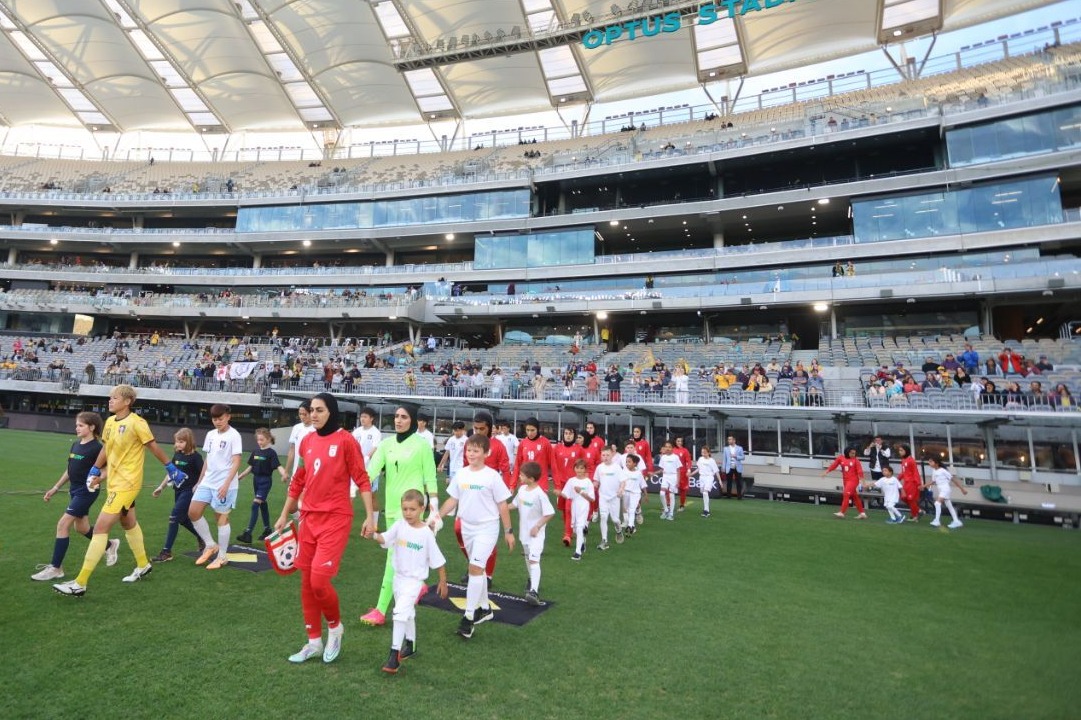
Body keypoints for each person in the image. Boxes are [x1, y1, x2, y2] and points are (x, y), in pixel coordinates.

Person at [54, 385, 187, 596]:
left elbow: (152, 446)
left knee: (100, 528)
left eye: (114, 398)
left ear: (127, 401)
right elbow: (106, 448)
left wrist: (170, 467)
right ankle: (143, 564)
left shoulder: (137, 423)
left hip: (128, 484)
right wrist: (95, 469)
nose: (110, 400)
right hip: (114, 482)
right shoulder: (109, 422)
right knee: (128, 523)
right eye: (110, 397)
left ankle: (80, 583)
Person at [275, 393, 374, 664]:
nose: (314, 414)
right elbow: (299, 480)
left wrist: (369, 517)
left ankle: (335, 627)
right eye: (312, 410)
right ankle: (313, 643)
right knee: (307, 582)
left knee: (319, 581)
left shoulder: (346, 440)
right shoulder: (307, 441)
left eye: (320, 410)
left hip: (336, 518)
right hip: (308, 518)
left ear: (332, 411)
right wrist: (284, 514)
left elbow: (362, 478)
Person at [359, 405, 441, 627]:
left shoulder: (422, 445)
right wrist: (351, 486)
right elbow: (369, 473)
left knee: (392, 558)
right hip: (392, 509)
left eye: (404, 417)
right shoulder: (386, 445)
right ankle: (418, 586)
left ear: (412, 420)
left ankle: (380, 610)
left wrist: (434, 506)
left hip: (412, 510)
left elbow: (430, 477)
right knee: (401, 555)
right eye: (396, 416)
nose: (398, 420)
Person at [437, 434, 515, 639]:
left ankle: (468, 617)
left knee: (475, 568)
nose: (471, 454)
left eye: (476, 451)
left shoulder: (492, 476)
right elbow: (452, 500)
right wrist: (436, 517)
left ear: (486, 453)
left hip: (487, 528)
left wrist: (508, 532)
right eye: (469, 450)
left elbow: (502, 505)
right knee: (478, 570)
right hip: (467, 528)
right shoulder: (461, 474)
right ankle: (485, 609)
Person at [366, 489, 448, 674]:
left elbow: (438, 560)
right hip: (398, 579)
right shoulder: (399, 525)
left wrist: (443, 582)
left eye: (412, 509)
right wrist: (373, 535)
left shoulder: (426, 534)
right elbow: (385, 539)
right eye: (405, 509)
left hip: (414, 582)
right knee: (407, 613)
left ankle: (394, 656)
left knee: (399, 614)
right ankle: (410, 644)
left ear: (422, 509)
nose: (408, 513)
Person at [33, 412, 118, 581]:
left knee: (62, 524)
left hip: (86, 491)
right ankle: (110, 545)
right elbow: (70, 470)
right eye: (76, 425)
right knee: (81, 528)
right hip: (74, 490)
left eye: (81, 425)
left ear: (92, 427)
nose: (77, 428)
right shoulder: (76, 445)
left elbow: (108, 468)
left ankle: (56, 568)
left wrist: (98, 479)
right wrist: (55, 487)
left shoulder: (98, 448)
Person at [187, 404, 243, 570]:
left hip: (224, 484)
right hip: (207, 482)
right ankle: (211, 545)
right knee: (193, 512)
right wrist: (199, 481)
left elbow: (237, 461)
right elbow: (208, 458)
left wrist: (226, 484)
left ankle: (222, 556)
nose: (217, 422)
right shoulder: (210, 434)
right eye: (214, 419)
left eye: (220, 418)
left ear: (228, 417)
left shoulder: (234, 435)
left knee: (221, 519)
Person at [149, 428, 205, 562]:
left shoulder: (196, 457)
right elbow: (171, 472)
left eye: (181, 442)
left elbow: (204, 474)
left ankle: (166, 552)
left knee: (174, 517)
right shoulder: (177, 455)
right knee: (183, 519)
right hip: (178, 491)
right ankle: (202, 537)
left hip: (189, 492)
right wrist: (161, 487)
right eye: (176, 441)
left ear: (189, 441)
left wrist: (198, 485)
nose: (177, 444)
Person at [508, 461, 555, 605]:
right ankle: (532, 580)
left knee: (534, 560)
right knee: (528, 559)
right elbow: (514, 505)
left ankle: (534, 591)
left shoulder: (540, 494)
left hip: (536, 535)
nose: (520, 477)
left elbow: (550, 513)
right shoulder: (522, 489)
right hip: (524, 533)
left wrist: (537, 526)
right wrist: (500, 508)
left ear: (532, 479)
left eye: (522, 475)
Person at [235, 428, 284, 544]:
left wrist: (284, 474)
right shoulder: (255, 452)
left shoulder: (271, 453)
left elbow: (278, 466)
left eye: (262, 440)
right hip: (256, 480)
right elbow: (250, 467)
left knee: (255, 504)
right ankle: (267, 530)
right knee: (262, 504)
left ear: (268, 439)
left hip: (265, 481)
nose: (259, 442)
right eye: (258, 440)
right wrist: (240, 476)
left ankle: (248, 533)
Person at [551, 426, 583, 546]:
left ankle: (567, 534)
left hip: (573, 484)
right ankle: (569, 529)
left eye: (570, 433)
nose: (568, 435)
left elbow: (583, 466)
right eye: (566, 433)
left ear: (574, 435)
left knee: (569, 508)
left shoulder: (579, 449)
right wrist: (557, 484)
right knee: (564, 509)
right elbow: (553, 467)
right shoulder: (557, 448)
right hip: (561, 484)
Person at [561, 459, 595, 561]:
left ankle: (577, 552)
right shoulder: (571, 481)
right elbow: (566, 494)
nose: (579, 470)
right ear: (574, 468)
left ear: (585, 470)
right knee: (576, 529)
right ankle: (582, 542)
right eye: (577, 468)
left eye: (581, 468)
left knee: (579, 528)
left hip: (584, 506)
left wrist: (581, 492)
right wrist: (559, 493)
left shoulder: (588, 482)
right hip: (574, 506)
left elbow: (592, 499)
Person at [593, 447, 626, 550]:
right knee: (603, 517)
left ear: (612, 455)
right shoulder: (599, 468)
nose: (605, 457)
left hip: (614, 497)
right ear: (601, 456)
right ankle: (604, 541)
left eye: (608, 455)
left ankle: (618, 529)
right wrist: (593, 485)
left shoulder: (617, 467)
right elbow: (596, 481)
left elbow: (623, 481)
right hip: (603, 497)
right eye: (603, 455)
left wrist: (621, 489)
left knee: (615, 519)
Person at [823, 447, 866, 519]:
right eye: (852, 453)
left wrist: (863, 482)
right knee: (855, 496)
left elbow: (860, 471)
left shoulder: (856, 460)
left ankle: (842, 512)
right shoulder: (841, 458)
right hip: (845, 481)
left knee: (846, 494)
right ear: (847, 452)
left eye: (854, 453)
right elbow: (834, 465)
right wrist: (827, 471)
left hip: (853, 481)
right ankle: (862, 513)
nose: (853, 455)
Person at [924, 457, 967, 529]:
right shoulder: (934, 471)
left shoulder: (943, 471)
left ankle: (937, 521)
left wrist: (962, 489)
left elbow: (953, 479)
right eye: (929, 462)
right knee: (949, 505)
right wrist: (924, 486)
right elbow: (933, 481)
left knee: (937, 503)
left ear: (936, 463)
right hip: (941, 490)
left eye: (931, 462)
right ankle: (956, 521)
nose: (929, 463)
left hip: (945, 489)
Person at [351, 406, 382, 501]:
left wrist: (367, 457)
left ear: (371, 418)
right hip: (356, 468)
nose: (362, 419)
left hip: (371, 468)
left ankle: (373, 512)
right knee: (350, 494)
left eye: (365, 417)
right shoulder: (357, 431)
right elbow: (351, 446)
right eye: (361, 416)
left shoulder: (376, 432)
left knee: (371, 497)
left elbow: (375, 447)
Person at [515, 417, 552, 491]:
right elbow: (517, 464)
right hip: (525, 483)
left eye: (532, 430)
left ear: (537, 429)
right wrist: (513, 484)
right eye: (527, 430)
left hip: (541, 484)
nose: (530, 433)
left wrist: (557, 485)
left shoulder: (546, 443)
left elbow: (552, 465)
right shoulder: (523, 443)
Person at [283, 400, 314, 483]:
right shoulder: (296, 428)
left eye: (305, 414)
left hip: (311, 475)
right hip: (296, 473)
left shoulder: (317, 429)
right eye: (300, 414)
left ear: (311, 413)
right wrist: (286, 471)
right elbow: (292, 450)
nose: (302, 417)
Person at [621, 452, 648, 534]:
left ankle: (630, 526)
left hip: (635, 494)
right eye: (626, 461)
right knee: (626, 509)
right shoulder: (624, 471)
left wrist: (646, 495)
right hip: (625, 493)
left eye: (629, 462)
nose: (627, 463)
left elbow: (643, 484)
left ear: (635, 463)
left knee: (631, 509)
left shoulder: (639, 473)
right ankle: (632, 525)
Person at [655, 442, 682, 521]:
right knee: (662, 493)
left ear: (672, 448)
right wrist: (654, 473)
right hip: (665, 476)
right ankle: (666, 510)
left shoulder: (676, 457)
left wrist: (678, 481)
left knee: (671, 495)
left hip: (673, 477)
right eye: (666, 447)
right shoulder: (663, 457)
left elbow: (678, 470)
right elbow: (662, 469)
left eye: (669, 447)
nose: (667, 448)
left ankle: (671, 514)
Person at [896, 444, 922, 522]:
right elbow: (903, 472)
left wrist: (918, 483)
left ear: (906, 451)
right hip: (906, 483)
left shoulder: (911, 460)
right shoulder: (903, 460)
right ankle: (919, 511)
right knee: (903, 498)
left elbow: (915, 472)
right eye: (899, 450)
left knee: (911, 499)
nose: (900, 452)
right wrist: (897, 479)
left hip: (912, 483)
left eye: (901, 450)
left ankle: (915, 516)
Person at [692, 445, 720, 518]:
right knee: (703, 492)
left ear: (708, 453)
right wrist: (691, 474)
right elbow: (698, 469)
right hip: (702, 477)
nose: (703, 454)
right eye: (702, 452)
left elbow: (716, 471)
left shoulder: (712, 461)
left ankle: (706, 510)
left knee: (705, 492)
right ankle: (706, 509)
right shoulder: (700, 459)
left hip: (709, 477)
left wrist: (720, 481)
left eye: (704, 452)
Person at [672, 436, 693, 512]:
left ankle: (682, 505)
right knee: (670, 489)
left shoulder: (685, 451)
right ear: (675, 441)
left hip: (683, 473)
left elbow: (689, 461)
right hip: (673, 473)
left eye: (681, 441)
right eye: (678, 441)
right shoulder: (672, 450)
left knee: (682, 490)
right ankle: (668, 505)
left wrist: (689, 470)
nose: (679, 442)